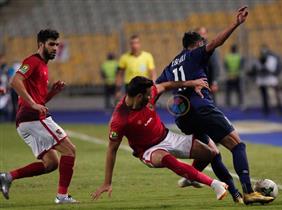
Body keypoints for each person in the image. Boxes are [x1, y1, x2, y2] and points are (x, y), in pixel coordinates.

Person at [156, 6, 274, 205]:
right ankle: (248, 191)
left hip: (183, 116)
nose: (205, 46)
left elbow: (157, 87)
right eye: (202, 43)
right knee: (238, 145)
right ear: (196, 44)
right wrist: (235, 23)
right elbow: (216, 42)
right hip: (202, 108)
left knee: (212, 153)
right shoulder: (195, 54)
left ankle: (231, 192)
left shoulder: (172, 64)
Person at [91, 76, 229, 201]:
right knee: (168, 159)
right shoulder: (120, 119)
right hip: (148, 151)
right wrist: (107, 182)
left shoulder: (148, 93)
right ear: (139, 96)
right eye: (148, 95)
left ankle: (190, 177)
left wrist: (192, 83)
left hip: (167, 136)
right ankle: (214, 184)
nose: (152, 96)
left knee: (208, 153)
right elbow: (111, 150)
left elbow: (167, 85)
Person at [0, 29, 77, 204]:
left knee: (51, 164)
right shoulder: (32, 61)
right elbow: (15, 81)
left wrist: (52, 93)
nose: (55, 48)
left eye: (57, 44)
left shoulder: (43, 66)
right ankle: (62, 197)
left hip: (26, 121)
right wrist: (33, 104)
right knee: (70, 150)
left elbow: (39, 100)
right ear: (41, 44)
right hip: (32, 118)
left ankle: (7, 177)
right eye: (51, 44)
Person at [115, 35, 156, 99]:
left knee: (145, 107)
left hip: (144, 86)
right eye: (132, 43)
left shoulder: (148, 56)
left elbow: (152, 73)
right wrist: (118, 90)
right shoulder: (124, 58)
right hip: (130, 86)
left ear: (140, 44)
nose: (134, 45)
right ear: (130, 45)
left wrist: (153, 87)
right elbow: (119, 75)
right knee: (131, 107)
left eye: (136, 43)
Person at [255, 45, 282, 116]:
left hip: (271, 80)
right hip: (262, 81)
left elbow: (273, 70)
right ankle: (266, 110)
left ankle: (279, 110)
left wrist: (265, 68)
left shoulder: (272, 59)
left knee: (275, 97)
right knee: (264, 97)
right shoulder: (259, 60)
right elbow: (257, 70)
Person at [196, 27, 221, 103]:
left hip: (208, 83)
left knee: (210, 105)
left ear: (207, 35)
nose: (202, 36)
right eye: (200, 34)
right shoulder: (193, 49)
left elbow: (215, 65)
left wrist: (214, 82)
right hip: (196, 84)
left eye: (203, 34)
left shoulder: (211, 48)